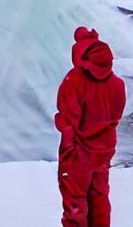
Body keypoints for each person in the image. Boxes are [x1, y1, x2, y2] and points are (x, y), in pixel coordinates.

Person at [55, 27, 126, 227]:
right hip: (104, 151)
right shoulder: (117, 84)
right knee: (99, 199)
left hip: (78, 153)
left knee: (75, 205)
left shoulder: (74, 81)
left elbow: (68, 119)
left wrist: (67, 142)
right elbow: (116, 116)